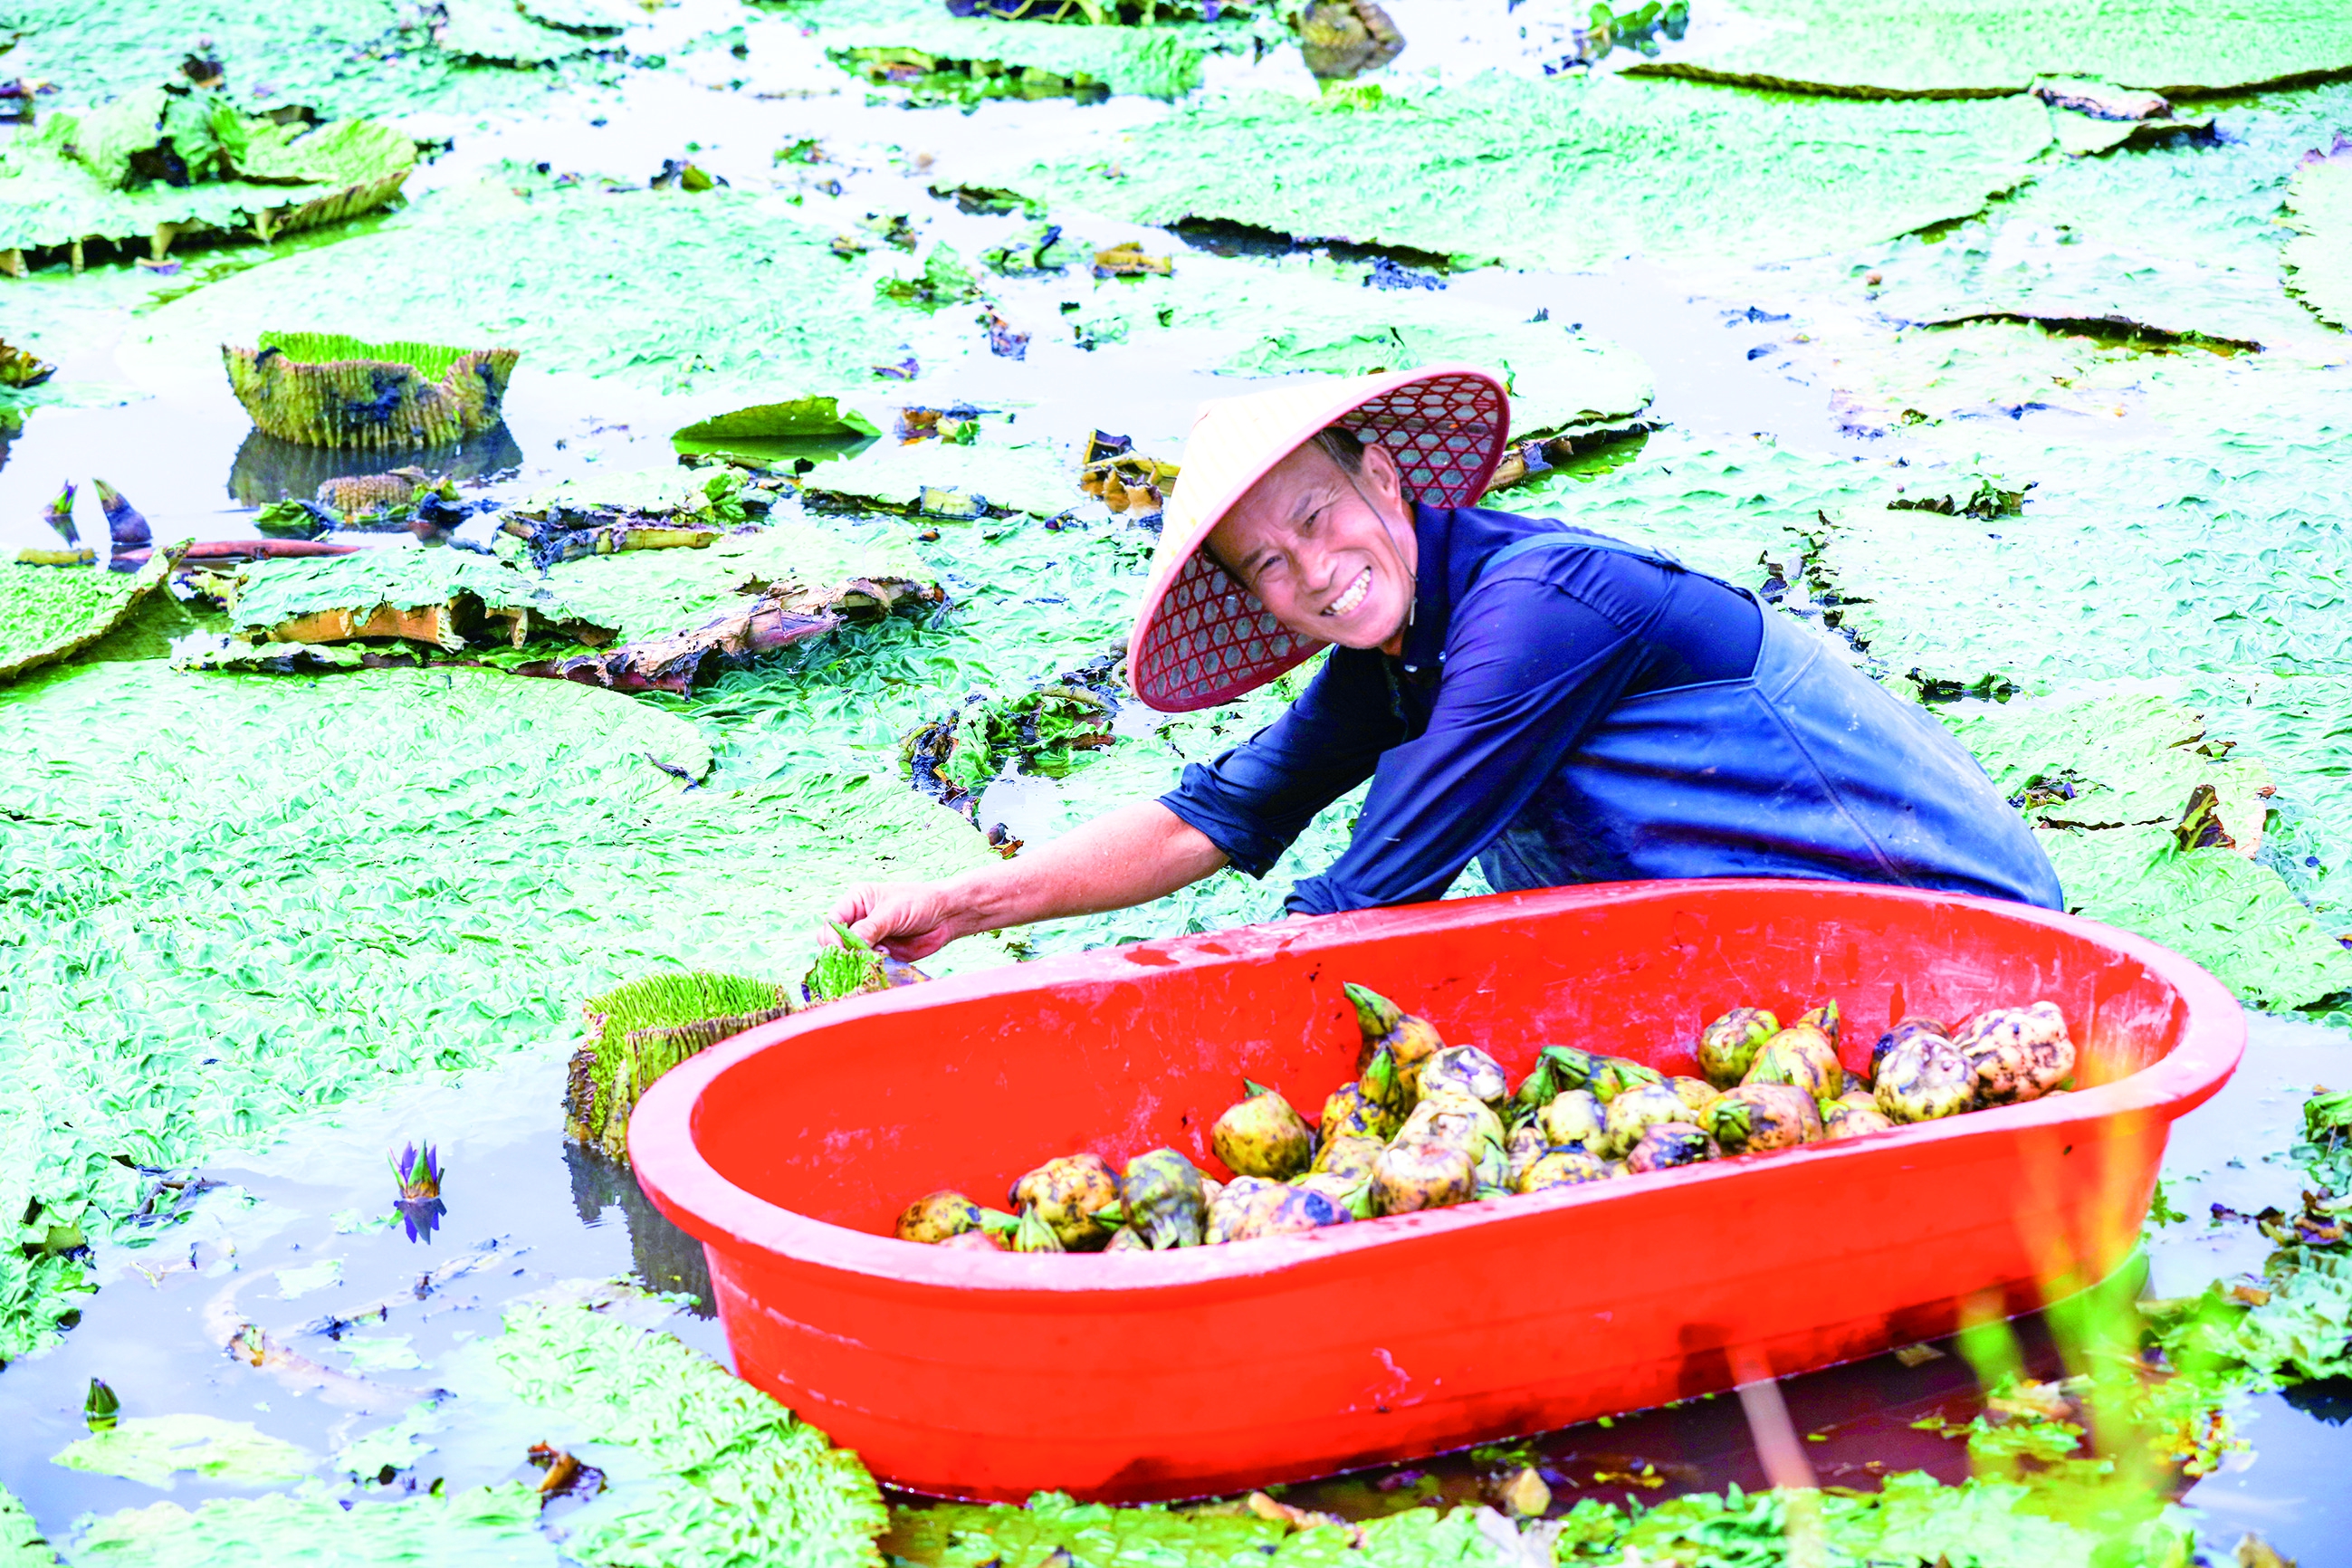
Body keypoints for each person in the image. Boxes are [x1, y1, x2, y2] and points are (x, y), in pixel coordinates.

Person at [833, 367, 2060, 960]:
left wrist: (1197, 986)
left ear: (1383, 479)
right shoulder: (1398, 651)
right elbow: (1214, 812)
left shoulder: (1538, 609)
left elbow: (1369, 886)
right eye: (1264, 565)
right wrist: (963, 905)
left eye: (1313, 518)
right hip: (1783, 954)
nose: (1307, 573)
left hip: (1964, 932)